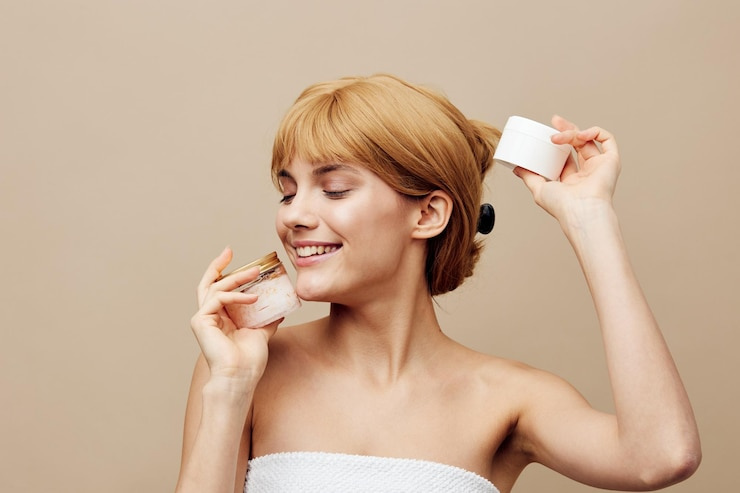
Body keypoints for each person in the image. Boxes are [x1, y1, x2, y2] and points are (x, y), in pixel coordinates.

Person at [175, 74, 701, 493]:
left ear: (427, 214)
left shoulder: (507, 398)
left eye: (334, 189)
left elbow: (661, 456)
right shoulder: (244, 370)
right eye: (288, 192)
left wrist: (590, 219)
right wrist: (230, 388)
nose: (293, 216)